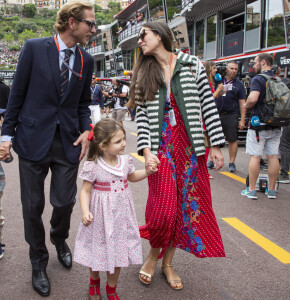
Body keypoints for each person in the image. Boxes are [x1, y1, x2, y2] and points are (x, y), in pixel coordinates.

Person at [0, 0, 96, 296]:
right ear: (72, 22)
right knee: (32, 206)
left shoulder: (86, 60)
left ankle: (58, 237)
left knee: (65, 202)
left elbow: (82, 105)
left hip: (67, 140)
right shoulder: (33, 48)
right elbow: (16, 94)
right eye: (90, 23)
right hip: (31, 138)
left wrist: (87, 130)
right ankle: (38, 259)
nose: (94, 29)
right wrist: (6, 134)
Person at [129, 22, 226, 290]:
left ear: (159, 36)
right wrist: (147, 152)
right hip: (160, 149)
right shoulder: (143, 73)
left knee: (184, 208)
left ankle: (168, 263)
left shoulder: (191, 64)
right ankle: (152, 255)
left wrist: (215, 144)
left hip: (189, 146)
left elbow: (208, 105)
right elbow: (144, 119)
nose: (140, 41)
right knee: (162, 210)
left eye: (143, 36)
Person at [74, 119, 157, 300]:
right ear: (103, 145)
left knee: (119, 251)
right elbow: (85, 190)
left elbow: (132, 176)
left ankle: (112, 288)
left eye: (124, 139)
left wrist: (148, 172)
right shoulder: (93, 164)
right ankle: (94, 281)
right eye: (118, 141)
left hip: (121, 215)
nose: (124, 144)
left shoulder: (125, 160)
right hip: (100, 215)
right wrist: (84, 211)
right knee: (98, 249)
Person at [242, 53, 281, 199]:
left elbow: (253, 98)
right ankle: (271, 190)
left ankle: (251, 190)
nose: (254, 65)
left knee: (255, 157)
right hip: (276, 123)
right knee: (273, 157)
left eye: (256, 62)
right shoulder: (277, 79)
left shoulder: (258, 79)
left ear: (263, 62)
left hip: (259, 124)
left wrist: (246, 106)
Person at [214, 61, 246, 172]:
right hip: (217, 114)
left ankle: (232, 162)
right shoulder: (218, 80)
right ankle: (212, 160)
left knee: (232, 139)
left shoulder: (239, 84)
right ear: (226, 69)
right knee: (213, 139)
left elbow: (242, 103)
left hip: (231, 114)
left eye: (236, 69)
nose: (233, 71)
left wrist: (242, 120)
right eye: (231, 68)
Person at [203, 61, 225, 174]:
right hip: (205, 117)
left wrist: (220, 92)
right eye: (214, 68)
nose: (216, 70)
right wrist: (217, 90)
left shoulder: (211, 83)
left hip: (211, 115)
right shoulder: (205, 82)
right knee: (206, 143)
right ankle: (203, 170)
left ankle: (204, 169)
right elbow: (208, 99)